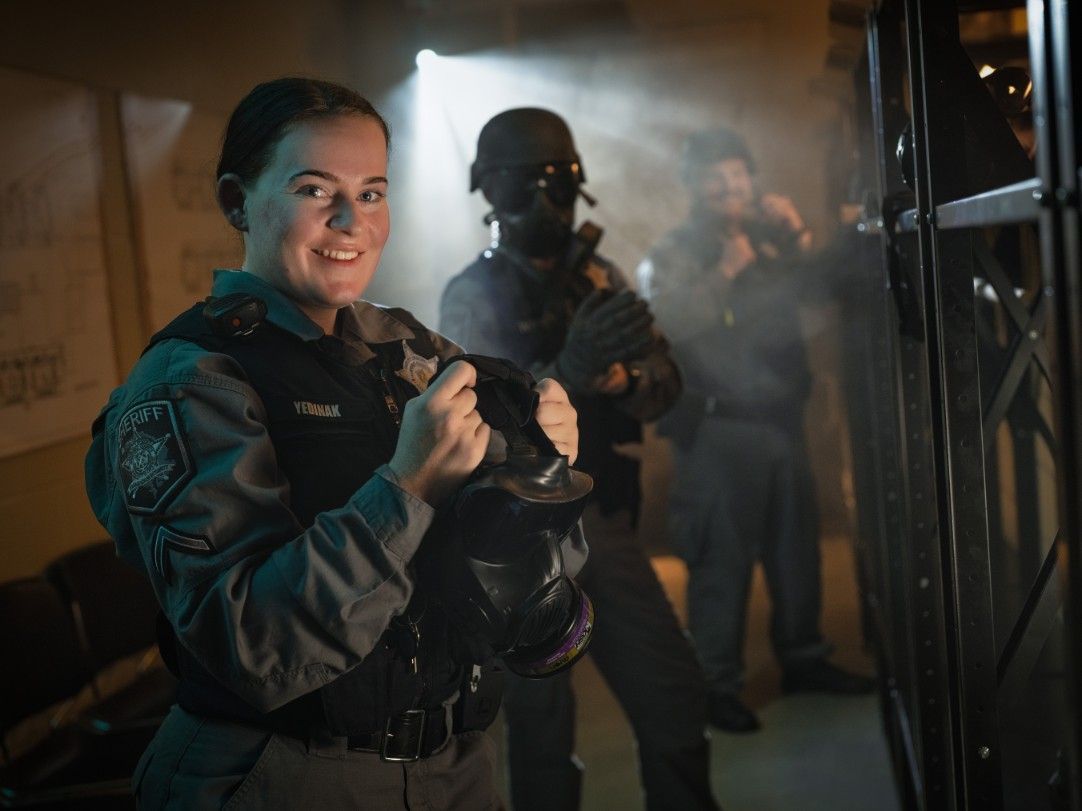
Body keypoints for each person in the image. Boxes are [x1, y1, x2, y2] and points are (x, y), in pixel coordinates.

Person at [84, 78, 583, 810]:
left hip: (455, 762)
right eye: (315, 189)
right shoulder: (193, 380)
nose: (351, 221)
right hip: (287, 771)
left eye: (373, 192)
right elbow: (254, 646)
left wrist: (544, 472)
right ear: (236, 202)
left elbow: (532, 586)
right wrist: (406, 488)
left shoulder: (409, 347)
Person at [440, 108, 718, 811]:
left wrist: (620, 379)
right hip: (516, 538)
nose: (543, 204)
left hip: (601, 524)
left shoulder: (602, 275)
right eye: (523, 186)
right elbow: (477, 429)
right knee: (539, 734)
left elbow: (667, 389)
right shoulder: (472, 293)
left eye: (558, 185)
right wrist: (566, 367)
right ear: (491, 193)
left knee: (674, 695)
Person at [636, 127, 875, 734]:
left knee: (797, 552)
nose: (730, 187)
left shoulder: (772, 238)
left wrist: (795, 233)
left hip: (781, 425)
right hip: (716, 434)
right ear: (693, 185)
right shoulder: (674, 250)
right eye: (716, 177)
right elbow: (662, 323)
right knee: (721, 561)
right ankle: (715, 684)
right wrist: (724, 272)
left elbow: (825, 292)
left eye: (739, 175)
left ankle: (804, 658)